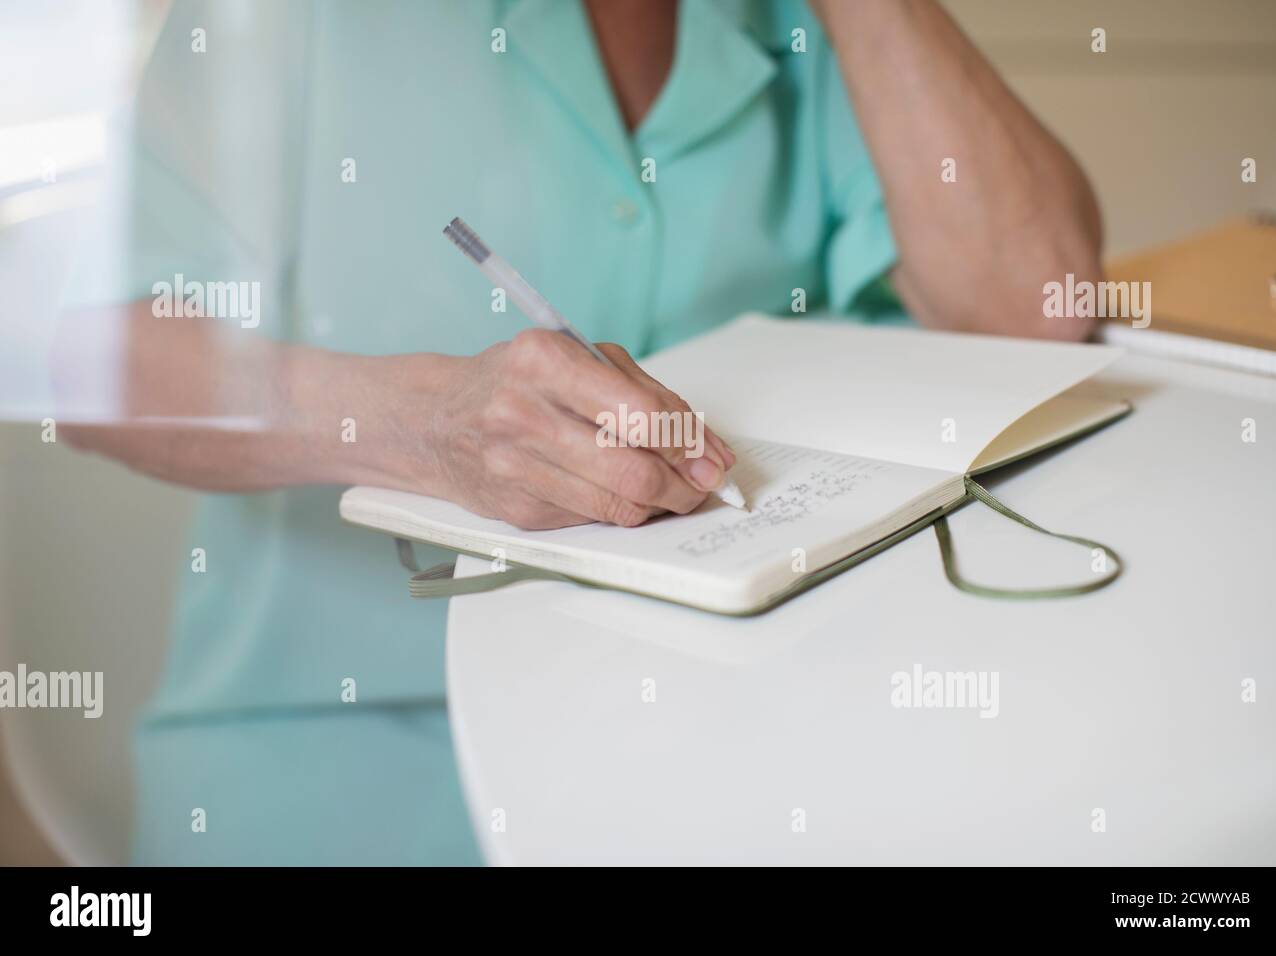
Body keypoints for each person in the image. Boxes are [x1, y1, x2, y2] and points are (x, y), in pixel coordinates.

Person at [57, 0, 1101, 864]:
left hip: (746, 727)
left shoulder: (795, 28)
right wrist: (417, 428)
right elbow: (86, 362)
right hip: (349, 744)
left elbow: (1036, 303)